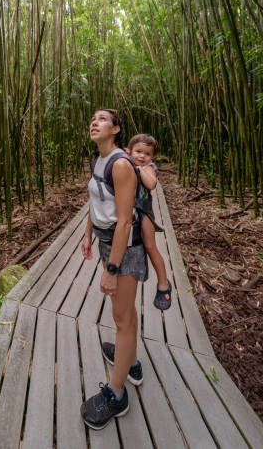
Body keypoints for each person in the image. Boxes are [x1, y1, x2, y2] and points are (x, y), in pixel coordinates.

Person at [80, 109, 148, 430]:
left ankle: (117, 394)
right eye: (93, 119)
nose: (95, 122)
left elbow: (124, 222)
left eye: (103, 119)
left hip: (127, 249)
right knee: (126, 314)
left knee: (121, 319)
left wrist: (111, 268)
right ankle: (131, 363)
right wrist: (87, 233)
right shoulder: (98, 161)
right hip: (108, 242)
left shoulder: (121, 165)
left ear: (117, 129)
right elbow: (97, 202)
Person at [127, 134, 172, 310]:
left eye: (146, 154)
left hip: (143, 211)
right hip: (125, 213)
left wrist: (139, 169)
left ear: (152, 157)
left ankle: (163, 283)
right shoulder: (124, 161)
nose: (141, 156)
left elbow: (151, 184)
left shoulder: (148, 167)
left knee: (151, 247)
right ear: (130, 150)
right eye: (138, 151)